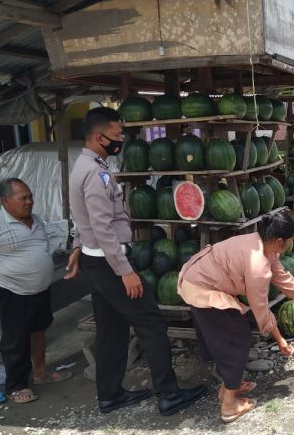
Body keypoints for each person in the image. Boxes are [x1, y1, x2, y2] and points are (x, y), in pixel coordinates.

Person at [64, 106, 205, 416]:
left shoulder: (83, 166)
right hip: (109, 263)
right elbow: (102, 227)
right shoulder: (95, 174)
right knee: (151, 323)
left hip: (95, 261)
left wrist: (77, 246)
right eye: (117, 136)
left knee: (110, 329)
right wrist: (126, 271)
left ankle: (110, 395)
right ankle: (168, 394)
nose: (121, 140)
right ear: (99, 137)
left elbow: (82, 219)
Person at [178, 212, 294, 423]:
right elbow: (260, 308)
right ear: (280, 241)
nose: (291, 244)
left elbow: (281, 275)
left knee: (225, 336)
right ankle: (229, 405)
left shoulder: (261, 243)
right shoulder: (257, 267)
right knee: (237, 339)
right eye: (290, 241)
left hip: (197, 276)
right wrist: (280, 340)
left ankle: (228, 386)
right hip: (201, 287)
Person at [0, 178, 71, 404]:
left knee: (38, 332)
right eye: (23, 198)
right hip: (12, 292)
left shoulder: (36, 220)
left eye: (30, 196)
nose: (29, 202)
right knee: (15, 340)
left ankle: (40, 374)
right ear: (5, 201)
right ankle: (16, 386)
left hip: (39, 291)